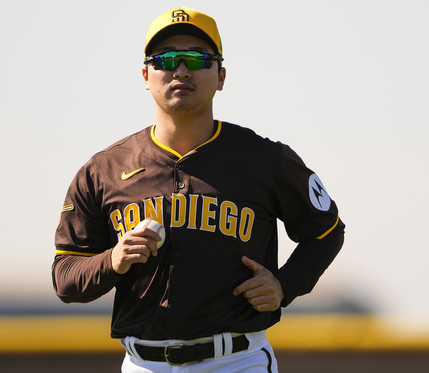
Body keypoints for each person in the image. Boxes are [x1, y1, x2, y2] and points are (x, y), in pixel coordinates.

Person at [52, 6, 345, 373]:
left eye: (197, 58)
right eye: (166, 59)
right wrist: (112, 260)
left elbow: (328, 231)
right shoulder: (104, 170)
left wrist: (285, 285)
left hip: (237, 361)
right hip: (144, 363)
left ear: (221, 76)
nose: (181, 70)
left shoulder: (265, 159)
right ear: (146, 75)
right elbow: (65, 275)